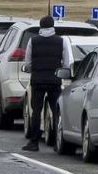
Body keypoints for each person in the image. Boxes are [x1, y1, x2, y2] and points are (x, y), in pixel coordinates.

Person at [22, 15, 71, 152]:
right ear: (53, 26)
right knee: (56, 111)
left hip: (37, 80)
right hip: (54, 80)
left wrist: (32, 69)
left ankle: (34, 142)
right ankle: (57, 143)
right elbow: (66, 63)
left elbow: (28, 63)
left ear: (41, 26)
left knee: (36, 111)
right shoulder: (61, 41)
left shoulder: (33, 41)